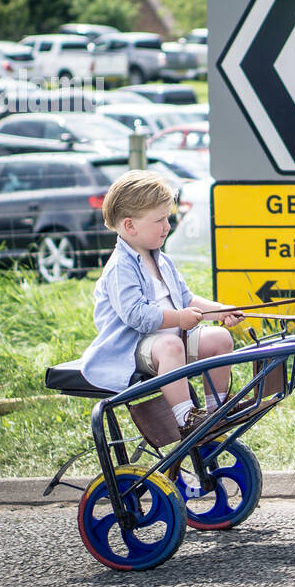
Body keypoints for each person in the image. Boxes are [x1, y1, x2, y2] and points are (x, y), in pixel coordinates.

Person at [79, 170, 243, 442]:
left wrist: (220, 310)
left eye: (167, 217)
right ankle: (186, 417)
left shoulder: (161, 260)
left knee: (220, 339)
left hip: (171, 342)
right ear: (130, 226)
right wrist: (179, 319)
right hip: (133, 349)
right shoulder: (121, 267)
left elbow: (186, 299)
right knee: (171, 346)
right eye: (160, 219)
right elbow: (137, 316)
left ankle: (217, 411)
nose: (167, 226)